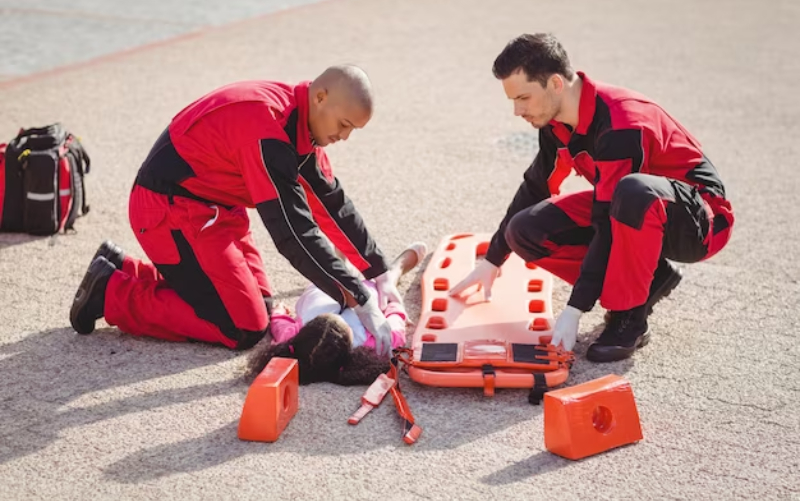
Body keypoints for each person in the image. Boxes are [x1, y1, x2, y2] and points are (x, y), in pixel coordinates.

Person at [70, 65, 400, 354]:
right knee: (242, 327)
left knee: (263, 305)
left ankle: (123, 265)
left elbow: (331, 203)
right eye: (344, 124)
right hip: (168, 210)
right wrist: (361, 298)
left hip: (215, 210)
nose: (344, 137)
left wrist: (378, 274)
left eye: (352, 130)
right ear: (320, 98)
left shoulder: (301, 124)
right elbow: (293, 233)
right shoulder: (267, 131)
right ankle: (111, 291)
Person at [450, 34, 734, 362]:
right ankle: (652, 277)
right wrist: (493, 259)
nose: (517, 111)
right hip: (629, 206)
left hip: (700, 221)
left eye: (524, 98)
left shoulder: (621, 123)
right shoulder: (555, 123)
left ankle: (630, 315)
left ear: (555, 83)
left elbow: (608, 222)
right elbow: (535, 187)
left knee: (632, 192)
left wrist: (575, 307)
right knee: (523, 231)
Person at [245, 242, 427, 385]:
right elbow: (395, 322)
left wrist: (279, 312)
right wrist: (392, 304)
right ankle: (394, 272)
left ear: (303, 333)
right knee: (386, 288)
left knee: (330, 274)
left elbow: (280, 325)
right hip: (368, 290)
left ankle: (339, 264)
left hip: (326, 285)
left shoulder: (292, 340)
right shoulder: (374, 344)